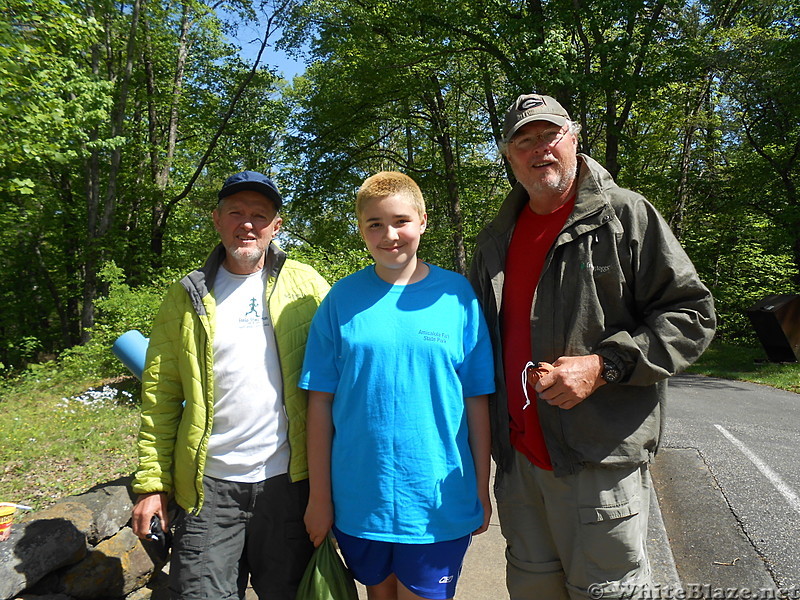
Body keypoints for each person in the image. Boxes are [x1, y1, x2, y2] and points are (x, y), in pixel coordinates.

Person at [468, 94, 716, 599]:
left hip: (598, 464)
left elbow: (692, 315)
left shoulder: (624, 215)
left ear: (575, 137)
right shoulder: (495, 241)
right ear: (508, 155)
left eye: (550, 134)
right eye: (524, 140)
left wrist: (605, 365)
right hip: (519, 468)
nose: (540, 149)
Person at [130, 170, 330, 600]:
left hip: (289, 486)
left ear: (276, 226)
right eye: (236, 212)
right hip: (207, 492)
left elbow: (340, 386)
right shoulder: (185, 296)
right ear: (216, 219)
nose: (247, 223)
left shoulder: (308, 287)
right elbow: (160, 398)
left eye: (260, 215)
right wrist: (152, 485)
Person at [300, 171, 495, 600]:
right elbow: (319, 406)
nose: (390, 235)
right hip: (358, 503)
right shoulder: (340, 300)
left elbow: (476, 402)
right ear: (361, 229)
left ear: (423, 221)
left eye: (401, 221)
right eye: (375, 224)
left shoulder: (458, 297)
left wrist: (482, 487)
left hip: (436, 504)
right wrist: (320, 498)